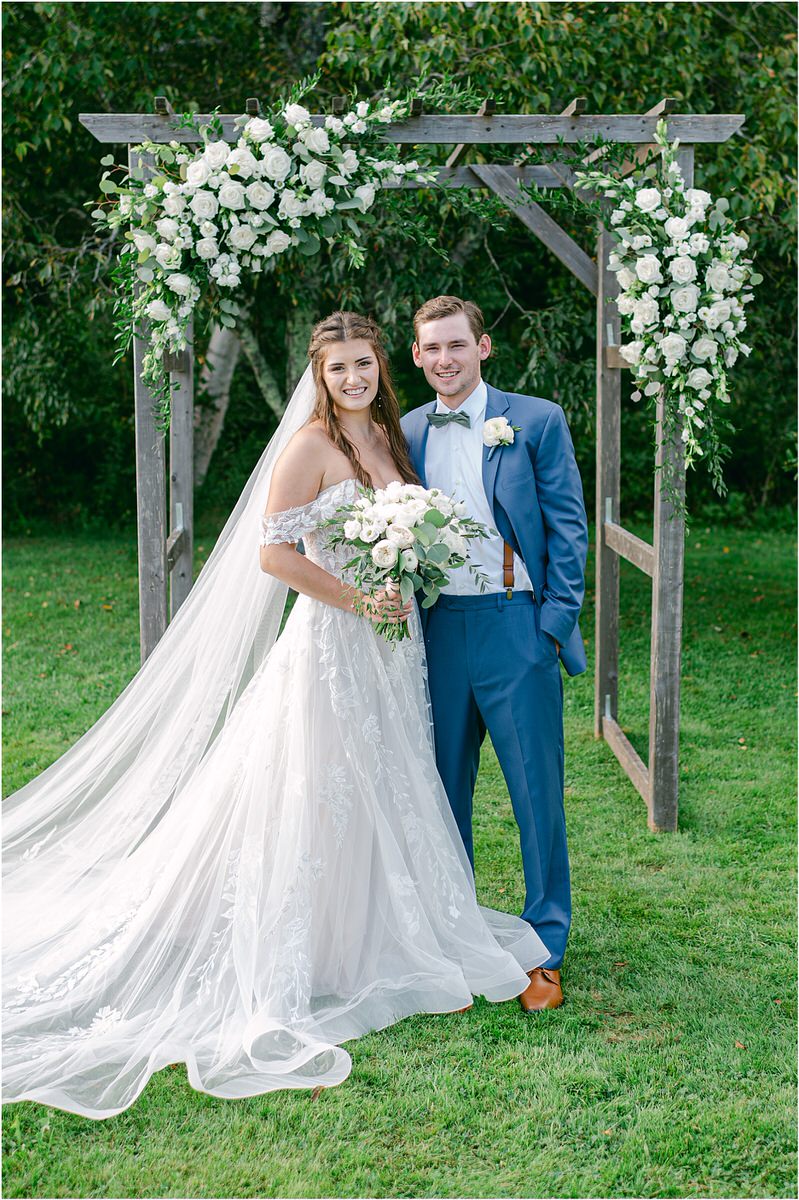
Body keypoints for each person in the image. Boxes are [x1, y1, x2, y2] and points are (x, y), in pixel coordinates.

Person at [2, 311, 549, 1119]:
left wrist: (405, 574)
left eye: (363, 364)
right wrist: (360, 598)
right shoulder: (308, 447)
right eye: (338, 369)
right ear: (319, 377)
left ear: (381, 367)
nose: (353, 379)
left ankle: (380, 933)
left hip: (393, 647)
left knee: (386, 778)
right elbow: (273, 554)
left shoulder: (389, 440)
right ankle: (319, 947)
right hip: (333, 644)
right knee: (322, 784)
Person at [402, 295, 588, 1012]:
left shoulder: (535, 419)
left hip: (517, 625)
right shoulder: (404, 430)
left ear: (482, 348)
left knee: (535, 790)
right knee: (442, 790)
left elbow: (567, 525)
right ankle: (458, 941)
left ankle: (545, 949)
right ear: (416, 357)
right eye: (431, 348)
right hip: (438, 628)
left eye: (457, 344)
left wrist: (552, 623)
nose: (444, 359)